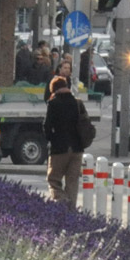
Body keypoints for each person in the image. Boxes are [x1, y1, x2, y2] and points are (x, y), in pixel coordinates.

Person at [43, 74, 88, 208]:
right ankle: (71, 212)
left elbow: (47, 126)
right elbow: (85, 124)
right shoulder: (77, 103)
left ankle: (63, 202)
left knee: (53, 180)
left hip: (59, 148)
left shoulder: (53, 103)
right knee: (72, 182)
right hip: (77, 148)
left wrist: (51, 139)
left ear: (54, 90)